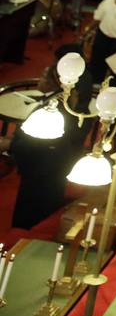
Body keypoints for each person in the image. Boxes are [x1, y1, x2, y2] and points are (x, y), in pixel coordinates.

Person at [2, 64, 83, 228]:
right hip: (50, 167)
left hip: (43, 167)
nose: (40, 79)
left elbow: (38, 144)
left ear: (53, 82)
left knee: (32, 215)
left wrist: (9, 144)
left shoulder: (51, 109)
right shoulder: (61, 101)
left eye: (44, 76)